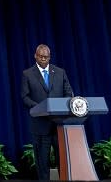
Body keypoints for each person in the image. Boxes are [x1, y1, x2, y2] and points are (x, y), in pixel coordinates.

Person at [21, 44, 73, 180]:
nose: (44, 59)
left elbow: (68, 92)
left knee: (62, 159)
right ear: (35, 56)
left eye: (46, 57)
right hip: (40, 125)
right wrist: (40, 108)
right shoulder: (27, 74)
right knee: (42, 162)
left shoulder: (60, 72)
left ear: (49, 57)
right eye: (41, 56)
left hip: (59, 124)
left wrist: (63, 106)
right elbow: (25, 97)